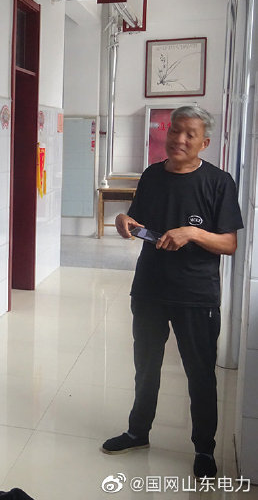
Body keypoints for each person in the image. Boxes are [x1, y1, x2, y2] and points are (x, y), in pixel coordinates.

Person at [101, 106, 243, 480]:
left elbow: (229, 243)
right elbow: (137, 220)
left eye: (189, 134)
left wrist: (192, 233)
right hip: (149, 288)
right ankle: (138, 432)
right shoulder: (152, 175)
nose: (179, 139)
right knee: (145, 366)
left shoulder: (218, 182)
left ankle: (204, 449)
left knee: (200, 374)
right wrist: (124, 221)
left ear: (204, 143)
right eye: (174, 131)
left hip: (196, 295)